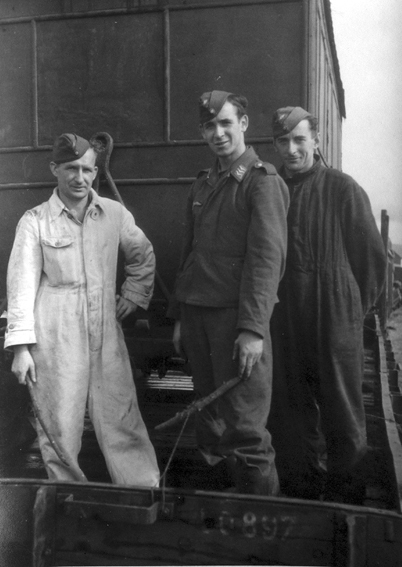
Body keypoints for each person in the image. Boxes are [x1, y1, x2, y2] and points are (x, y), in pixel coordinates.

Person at [5, 133, 160, 486]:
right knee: (59, 424)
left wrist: (134, 293)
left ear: (96, 172)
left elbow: (142, 255)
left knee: (121, 416)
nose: (80, 178)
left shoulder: (113, 214)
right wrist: (21, 349)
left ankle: (140, 492)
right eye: (71, 169)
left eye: (87, 170)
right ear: (54, 169)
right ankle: (67, 495)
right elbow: (21, 285)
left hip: (106, 331)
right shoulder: (35, 221)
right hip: (56, 335)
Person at [168, 91, 289, 495]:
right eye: (209, 126)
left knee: (245, 432)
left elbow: (266, 262)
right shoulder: (203, 183)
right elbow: (190, 255)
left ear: (244, 124)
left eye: (225, 123)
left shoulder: (261, 182)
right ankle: (219, 514)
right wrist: (181, 318)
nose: (218, 133)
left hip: (236, 323)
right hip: (198, 318)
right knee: (209, 422)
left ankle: (259, 523)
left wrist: (252, 330)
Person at [269, 106, 387, 503]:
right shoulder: (270, 190)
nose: (291, 149)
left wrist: (351, 312)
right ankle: (301, 499)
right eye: (283, 141)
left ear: (316, 141)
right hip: (285, 316)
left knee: (343, 412)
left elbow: (371, 260)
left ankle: (346, 505)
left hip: (334, 315)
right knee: (289, 411)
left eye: (299, 139)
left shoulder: (342, 188)